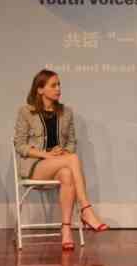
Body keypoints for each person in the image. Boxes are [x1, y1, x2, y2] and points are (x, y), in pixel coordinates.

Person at [14, 69, 108, 250]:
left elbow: (72, 142)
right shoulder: (26, 112)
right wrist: (46, 154)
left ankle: (66, 230)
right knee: (72, 159)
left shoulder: (66, 112)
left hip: (59, 164)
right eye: (53, 85)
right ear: (40, 89)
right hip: (35, 166)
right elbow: (20, 145)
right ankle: (86, 209)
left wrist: (63, 151)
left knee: (66, 173)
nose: (58, 89)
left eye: (59, 85)